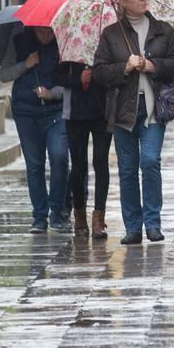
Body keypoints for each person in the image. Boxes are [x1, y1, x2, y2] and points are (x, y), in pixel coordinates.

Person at [93, 0, 174, 244]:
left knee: (150, 161)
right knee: (128, 169)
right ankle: (133, 227)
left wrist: (153, 65)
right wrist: (124, 67)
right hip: (123, 110)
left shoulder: (162, 30)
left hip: (154, 107)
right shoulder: (111, 34)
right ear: (122, 2)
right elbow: (99, 71)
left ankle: (152, 223)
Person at [0, 26, 69, 233]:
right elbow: (4, 74)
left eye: (49, 33)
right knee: (35, 164)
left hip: (55, 111)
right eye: (41, 33)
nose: (45, 37)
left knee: (59, 157)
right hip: (25, 113)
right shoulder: (18, 41)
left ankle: (57, 211)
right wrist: (26, 64)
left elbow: (69, 81)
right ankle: (39, 216)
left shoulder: (62, 43)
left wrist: (52, 94)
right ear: (33, 29)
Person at [56, 61, 111, 239]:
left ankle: (99, 218)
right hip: (75, 114)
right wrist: (77, 79)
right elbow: (56, 76)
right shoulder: (69, 44)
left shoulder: (107, 39)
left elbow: (116, 71)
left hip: (103, 111)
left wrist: (98, 74)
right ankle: (79, 215)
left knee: (101, 162)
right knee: (78, 166)